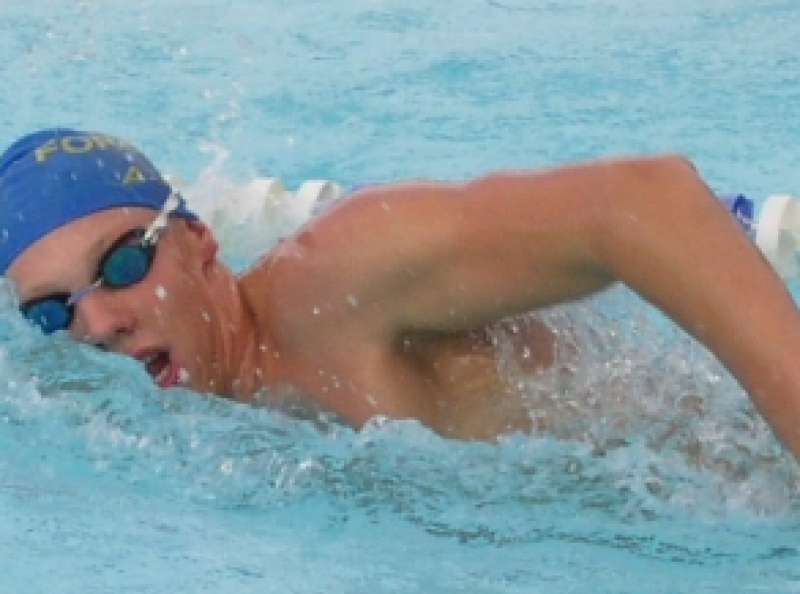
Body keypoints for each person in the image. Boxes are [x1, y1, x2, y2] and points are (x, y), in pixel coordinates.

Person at [1, 128, 799, 457]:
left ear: (201, 242)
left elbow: (644, 200)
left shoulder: (333, 279)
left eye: (123, 266)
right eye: (51, 311)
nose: (96, 323)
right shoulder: (170, 423)